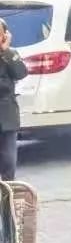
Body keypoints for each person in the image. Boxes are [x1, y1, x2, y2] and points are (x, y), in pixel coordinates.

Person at [0, 20, 27, 181]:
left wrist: (6, 51)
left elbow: (21, 73)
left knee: (9, 162)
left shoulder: (10, 54)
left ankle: (7, 193)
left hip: (7, 117)